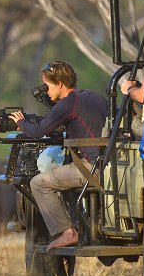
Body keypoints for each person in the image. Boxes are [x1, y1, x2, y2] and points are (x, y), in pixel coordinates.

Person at [9, 60, 108, 250]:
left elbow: (37, 131)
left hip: (91, 169)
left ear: (60, 84)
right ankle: (80, 221)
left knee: (38, 183)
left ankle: (67, 232)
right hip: (111, 166)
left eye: (48, 85)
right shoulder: (95, 97)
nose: (45, 90)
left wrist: (20, 122)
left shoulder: (68, 103)